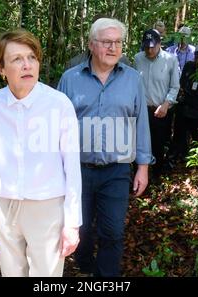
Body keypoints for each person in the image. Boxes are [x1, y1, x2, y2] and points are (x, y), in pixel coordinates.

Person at [0, 29, 82, 277]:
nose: (27, 65)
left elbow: (72, 167)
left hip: (47, 206)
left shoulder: (59, 104)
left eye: (32, 57)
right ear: (1, 69)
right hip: (4, 205)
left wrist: (72, 223)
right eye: (17, 59)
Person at [57, 18, 153, 277]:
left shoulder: (132, 79)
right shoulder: (70, 79)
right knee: (82, 229)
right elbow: (56, 126)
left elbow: (141, 123)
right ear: (91, 44)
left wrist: (143, 167)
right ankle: (86, 270)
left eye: (118, 42)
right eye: (106, 42)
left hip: (117, 170)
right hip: (78, 170)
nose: (113, 48)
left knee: (113, 232)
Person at [134, 29, 180, 178]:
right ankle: (139, 178)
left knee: (158, 145)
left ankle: (157, 176)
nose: (149, 50)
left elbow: (175, 86)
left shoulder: (170, 59)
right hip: (141, 111)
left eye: (152, 46)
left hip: (160, 111)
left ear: (160, 44)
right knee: (139, 145)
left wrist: (166, 104)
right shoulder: (138, 58)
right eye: (146, 46)